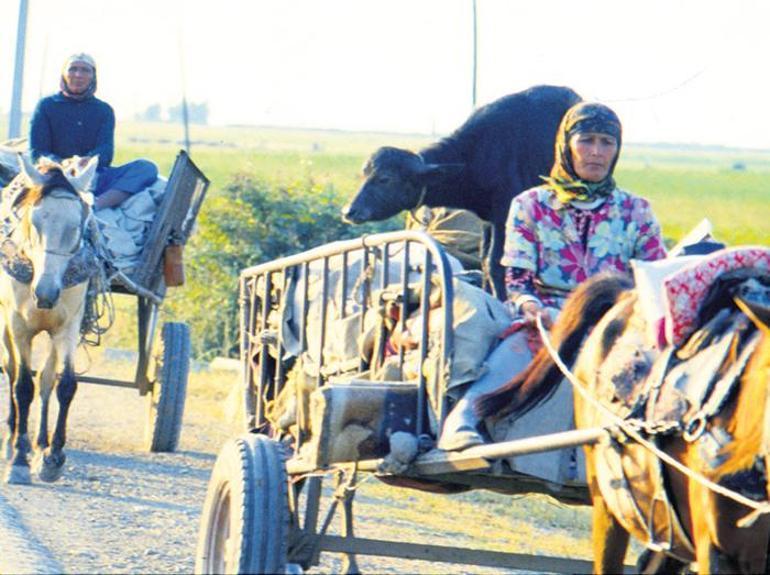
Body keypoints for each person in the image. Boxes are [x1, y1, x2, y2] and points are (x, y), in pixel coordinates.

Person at [437, 101, 667, 451]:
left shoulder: (637, 211)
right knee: (513, 350)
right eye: (586, 140)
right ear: (565, 145)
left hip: (617, 323)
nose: (596, 152)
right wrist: (530, 305)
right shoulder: (531, 205)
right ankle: (464, 418)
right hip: (547, 318)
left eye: (607, 142)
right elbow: (517, 280)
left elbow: (652, 280)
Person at [29, 53, 158, 210]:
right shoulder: (47, 106)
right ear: (64, 74)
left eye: (85, 70)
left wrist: (88, 161)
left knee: (146, 168)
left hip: (93, 176)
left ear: (93, 77)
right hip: (57, 176)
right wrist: (63, 164)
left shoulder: (103, 110)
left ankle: (95, 206)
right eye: (73, 69)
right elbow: (37, 151)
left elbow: (106, 150)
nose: (78, 75)